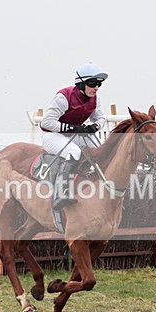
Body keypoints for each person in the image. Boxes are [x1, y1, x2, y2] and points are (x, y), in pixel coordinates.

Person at [39, 62, 108, 209]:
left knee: (100, 150)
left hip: (72, 133)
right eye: (92, 83)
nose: (96, 87)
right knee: (74, 152)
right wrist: (72, 127)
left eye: (99, 84)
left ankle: (105, 187)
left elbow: (101, 118)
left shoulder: (95, 99)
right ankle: (61, 193)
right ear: (81, 83)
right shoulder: (64, 97)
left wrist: (94, 126)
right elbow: (46, 122)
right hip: (52, 135)